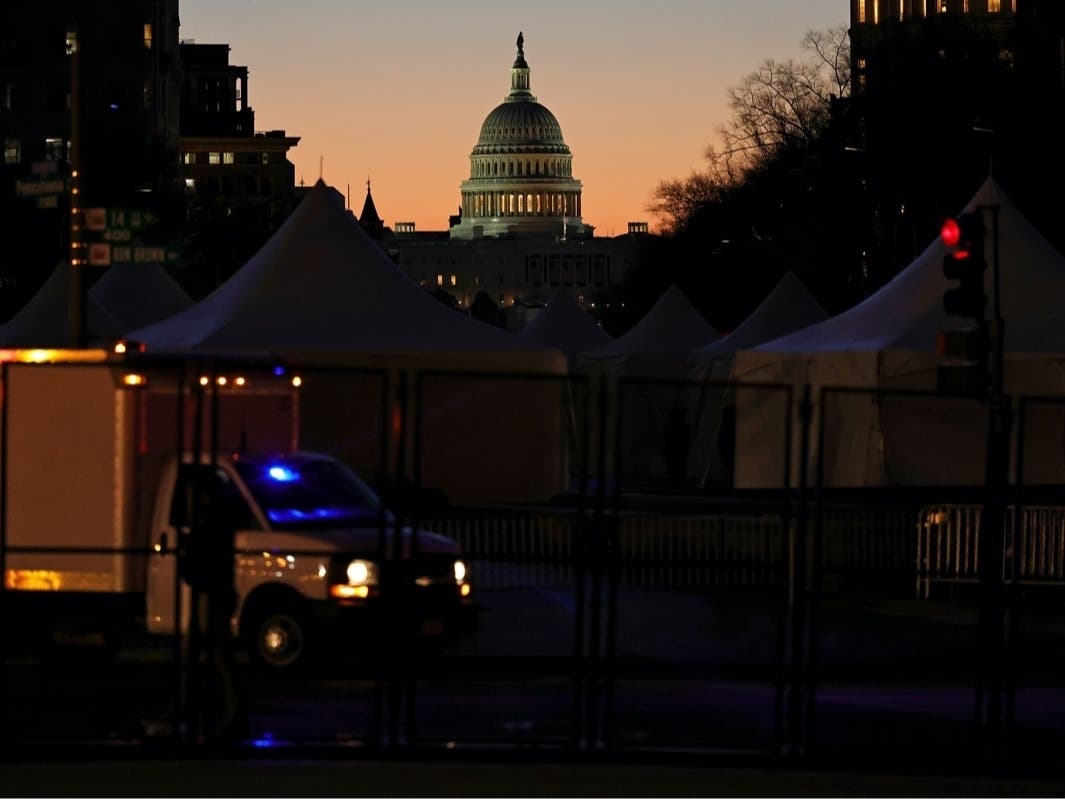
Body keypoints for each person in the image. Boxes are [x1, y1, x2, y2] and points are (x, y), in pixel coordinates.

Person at [664, 405, 690, 488]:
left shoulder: (672, 427)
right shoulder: (682, 427)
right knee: (676, 471)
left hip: (677, 454)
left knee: (677, 472)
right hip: (676, 454)